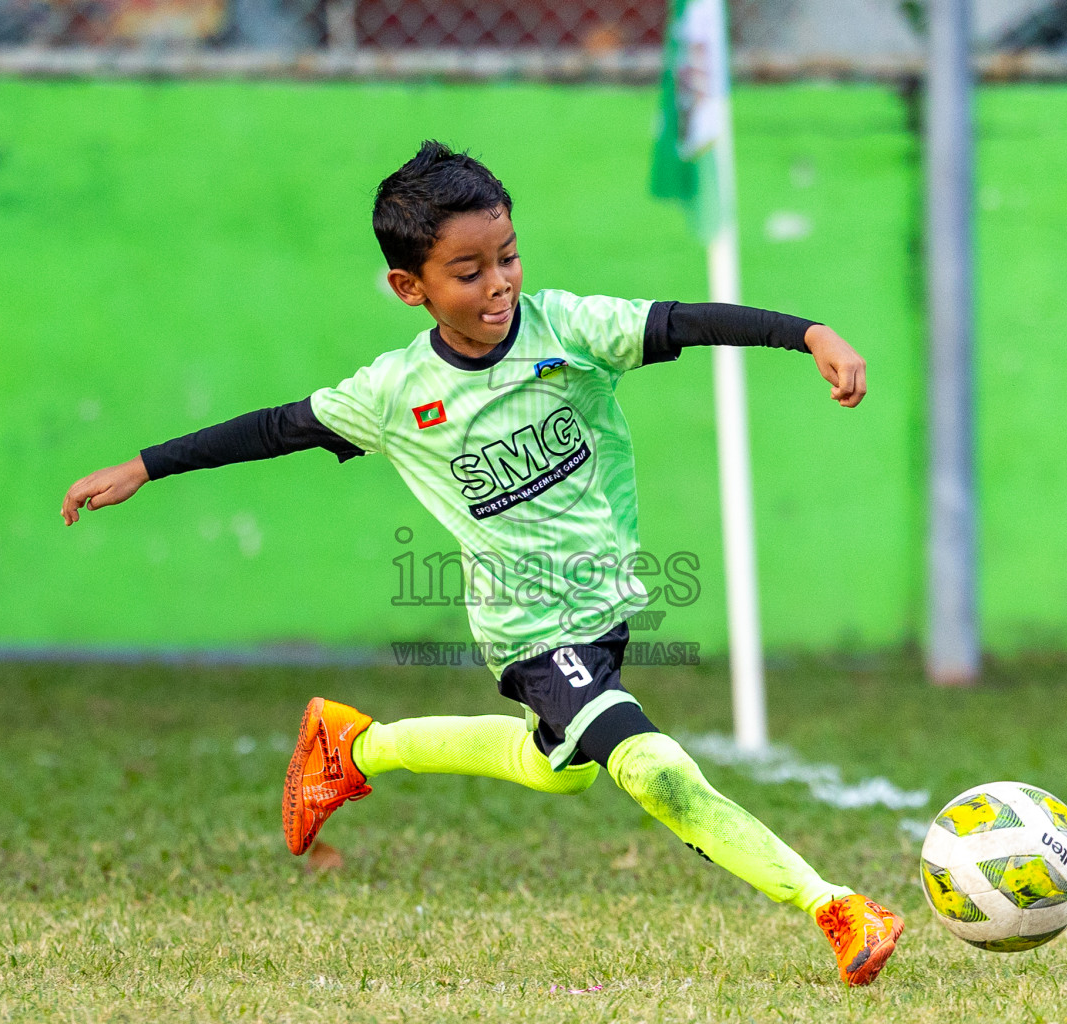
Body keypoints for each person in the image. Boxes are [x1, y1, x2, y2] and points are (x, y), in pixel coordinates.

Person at [61, 140, 902, 986]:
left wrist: (810, 334)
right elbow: (277, 427)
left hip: (604, 605)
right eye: (468, 271)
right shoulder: (395, 394)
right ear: (410, 287)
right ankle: (833, 907)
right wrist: (146, 465)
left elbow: (684, 319)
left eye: (507, 257)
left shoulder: (569, 328)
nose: (498, 283)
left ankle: (354, 749)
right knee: (650, 767)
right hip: (529, 628)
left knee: (556, 768)